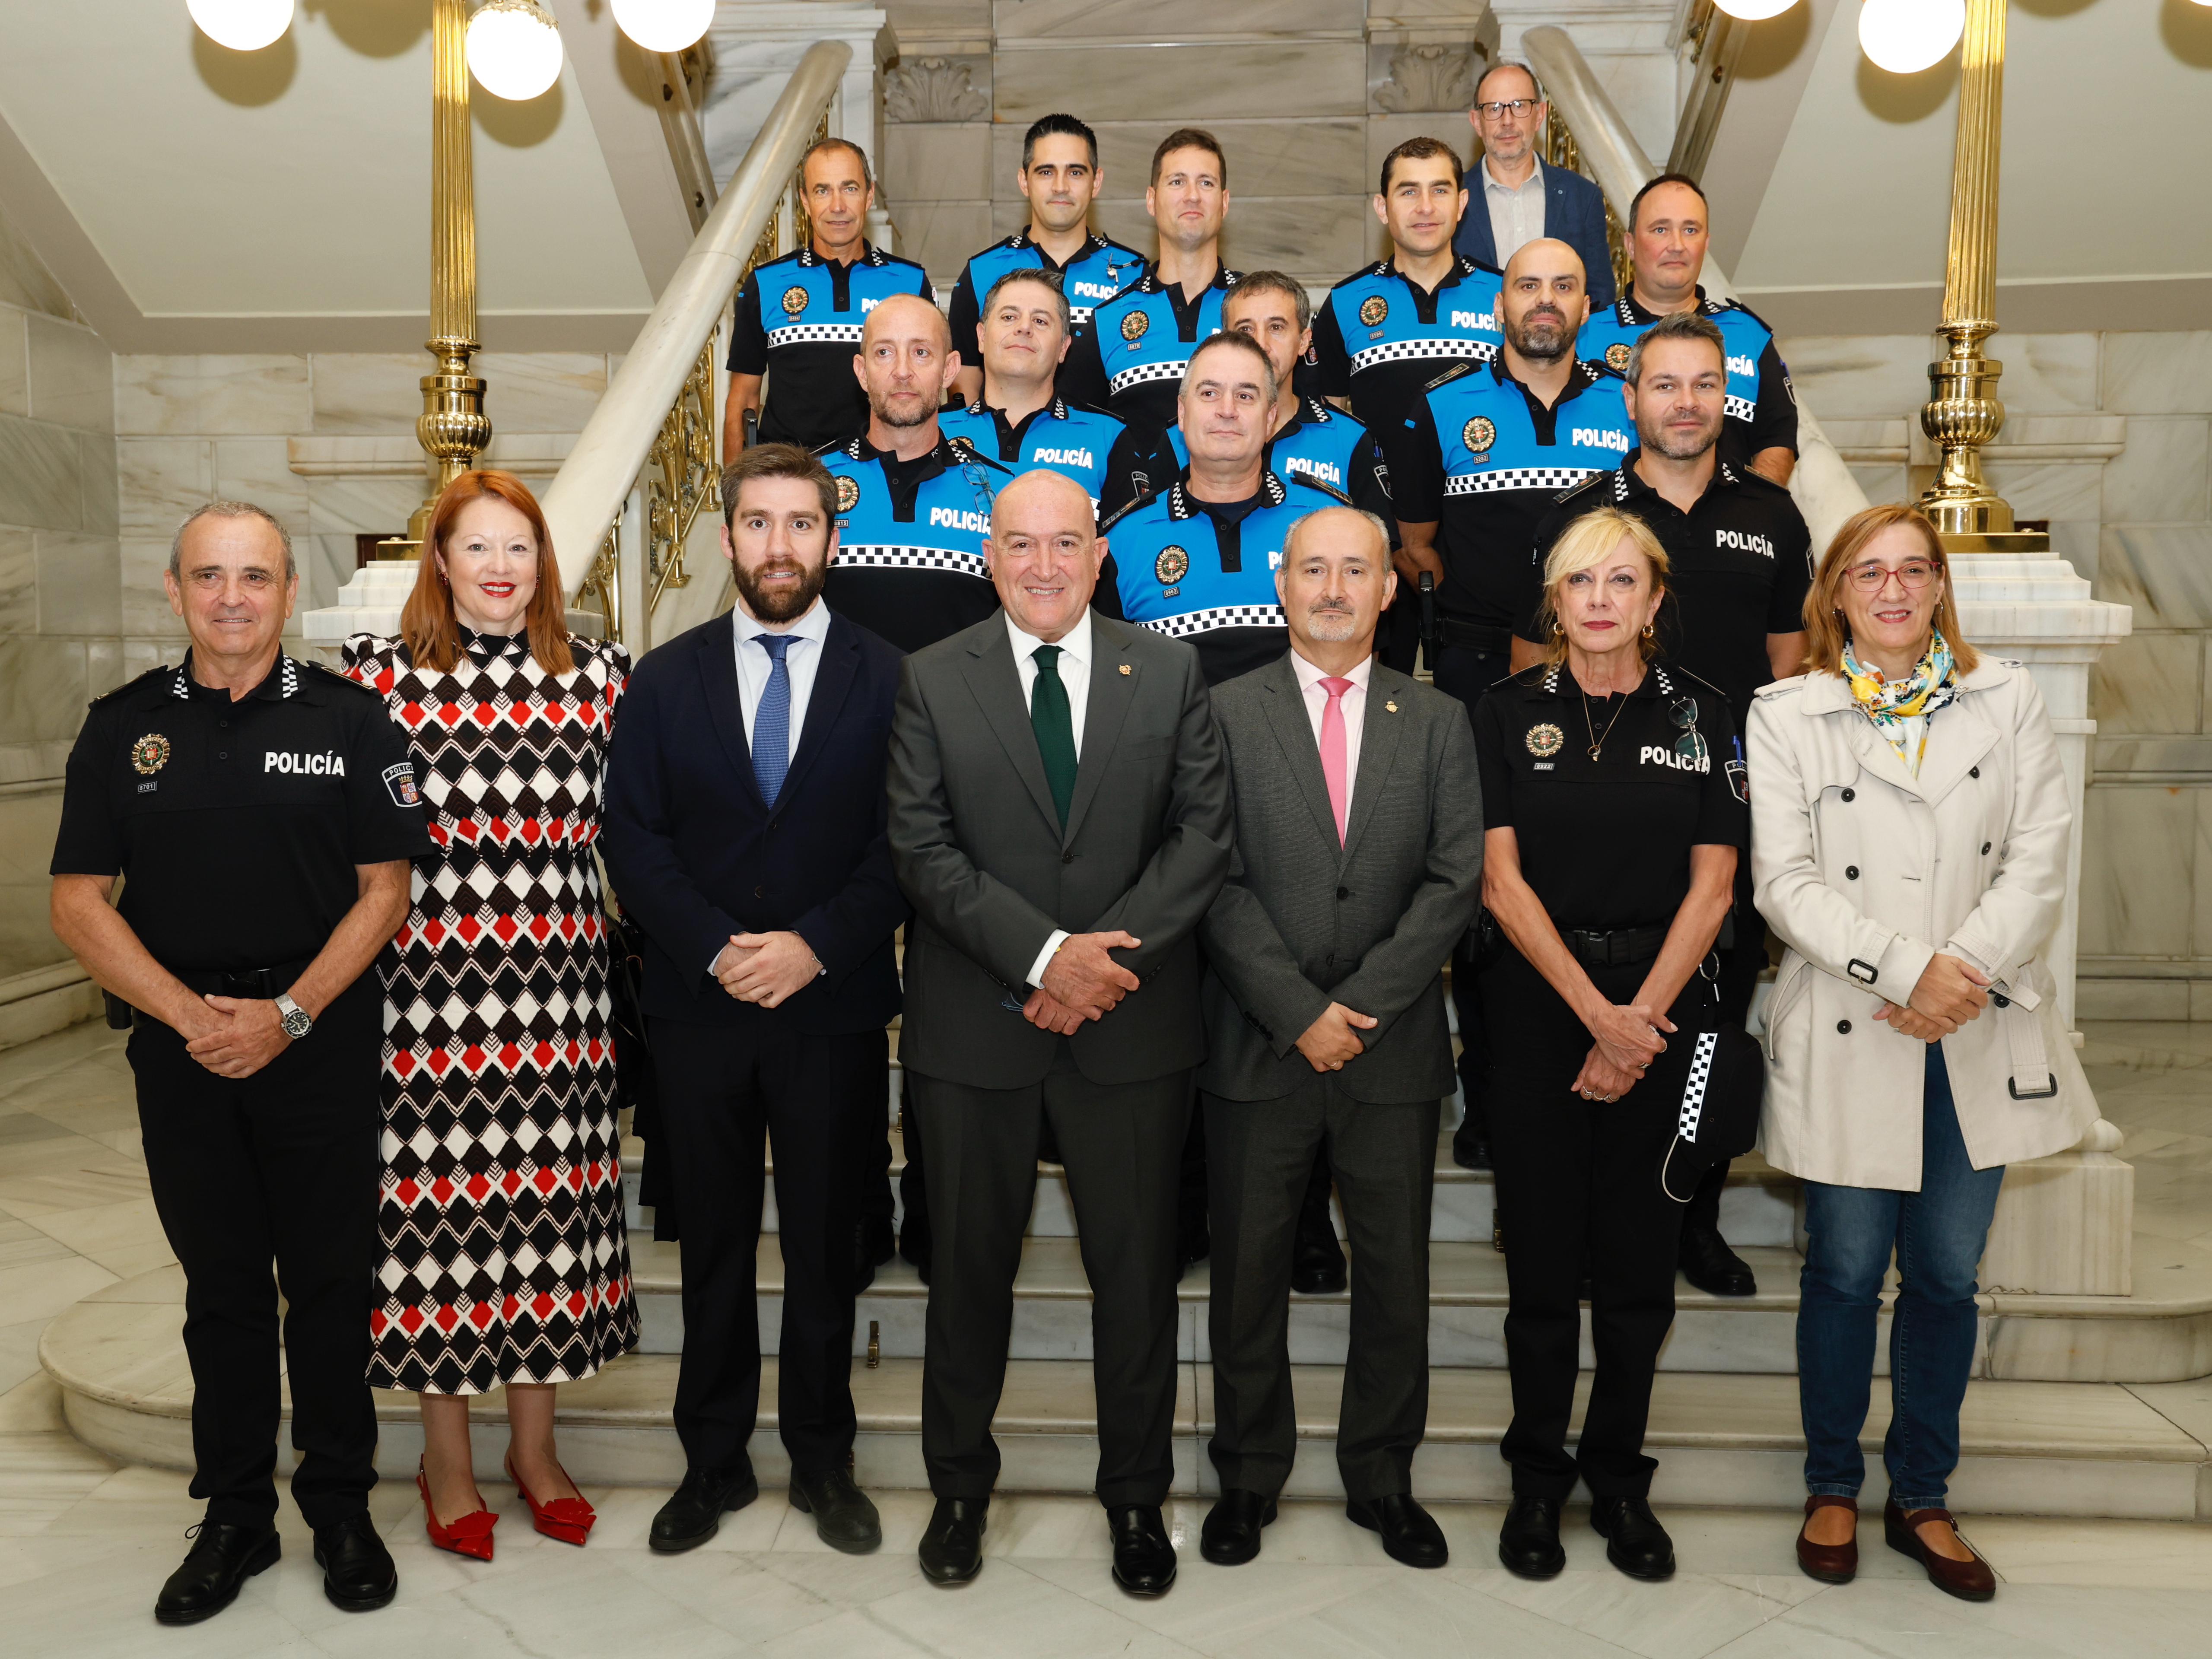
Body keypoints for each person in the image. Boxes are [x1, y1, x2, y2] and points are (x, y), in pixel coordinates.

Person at [49, 502, 429, 1624]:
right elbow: (78, 903)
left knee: (329, 1285)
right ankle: (235, 1517)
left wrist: (287, 1016)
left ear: (287, 592)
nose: (231, 598)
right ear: (174, 591)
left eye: (254, 576)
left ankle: (342, 1508)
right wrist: (193, 1019)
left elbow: (386, 893)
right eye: (208, 576)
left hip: (319, 1044)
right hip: (182, 1056)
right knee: (220, 1292)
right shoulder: (119, 728)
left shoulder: (352, 720)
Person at [886, 467, 1233, 1596]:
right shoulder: (932, 678)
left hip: (1131, 1032)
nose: (1044, 565)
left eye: (1066, 543)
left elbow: (1201, 837)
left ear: (1100, 555)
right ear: (989, 557)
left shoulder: (1168, 671)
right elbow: (922, 849)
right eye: (1021, 544)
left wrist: (1098, 968)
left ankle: (1136, 1501)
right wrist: (1046, 959)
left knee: (1135, 1281)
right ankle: (958, 1492)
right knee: (966, 1278)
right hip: (973, 1034)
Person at [1751, 504, 2092, 1602]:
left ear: (1941, 585)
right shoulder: (1786, 711)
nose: (1892, 590)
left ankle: (1923, 1493)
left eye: (1912, 570)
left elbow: (2039, 855)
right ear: (1835, 594)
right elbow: (1784, 882)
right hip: (1860, 1016)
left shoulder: (2007, 698)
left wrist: (1959, 974)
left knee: (1945, 1272)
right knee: (1845, 1270)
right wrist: (1907, 974)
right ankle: (1831, 1484)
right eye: (1868, 573)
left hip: (1972, 1022)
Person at [602, 445, 911, 1556]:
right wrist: (715, 947)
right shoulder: (662, 677)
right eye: (759, 523)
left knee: (827, 1246)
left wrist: (813, 947)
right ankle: (713, 1462)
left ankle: (823, 1460)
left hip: (831, 1007)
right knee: (715, 1247)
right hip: (702, 1008)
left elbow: (907, 842)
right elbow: (632, 836)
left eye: (801, 524)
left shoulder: (892, 676)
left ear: (832, 537)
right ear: (728, 536)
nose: (780, 546)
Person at [342, 471, 637, 1562]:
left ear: (543, 562)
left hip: (560, 1000)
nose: (501, 567)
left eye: (520, 547)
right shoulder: (375, 682)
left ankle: (536, 1453)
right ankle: (449, 1464)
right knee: (442, 1233)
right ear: (442, 560)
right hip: (427, 1000)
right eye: (478, 547)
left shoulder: (601, 678)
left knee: (547, 1229)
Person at [1196, 507, 1483, 1572]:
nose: (1331, 588)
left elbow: (1453, 880)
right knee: (1246, 1275)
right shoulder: (1221, 712)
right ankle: (1246, 1475)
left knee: (1395, 1276)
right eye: (1312, 569)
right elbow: (1208, 874)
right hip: (1256, 1041)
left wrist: (1356, 1009)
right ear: (1280, 585)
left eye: (1353, 569)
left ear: (1386, 589)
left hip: (1390, 1047)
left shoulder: (1438, 720)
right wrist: (1296, 1010)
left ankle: (1382, 1476)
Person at [1475, 508, 1743, 1585]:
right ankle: (1537, 1480)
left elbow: (1713, 888)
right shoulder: (1501, 710)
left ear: (1654, 597)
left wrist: (1635, 1027)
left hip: (1662, 1012)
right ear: (1553, 598)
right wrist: (1596, 1014)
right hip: (1539, 1006)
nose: (1598, 600)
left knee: (1638, 1273)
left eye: (1620, 581)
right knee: (1541, 1269)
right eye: (1579, 581)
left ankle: (1619, 1479)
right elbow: (1499, 883)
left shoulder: (1702, 712)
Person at [1519, 308, 1812, 1297]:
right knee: (1576, 1010)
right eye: (1664, 384)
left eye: (1703, 385)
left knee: (1712, 1016)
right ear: (1629, 398)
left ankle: (1694, 1213)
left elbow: (1788, 667)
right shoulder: (1580, 514)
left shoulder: (1773, 516)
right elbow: (1531, 666)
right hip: (1594, 813)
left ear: (1726, 397)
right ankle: (1575, 1210)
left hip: (1721, 812)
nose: (1684, 403)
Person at [1387, 237, 1636, 1170]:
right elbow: (1417, 541)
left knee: (1582, 870)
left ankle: (1595, 1057)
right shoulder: (1444, 405)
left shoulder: (1625, 403)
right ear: (1500, 303)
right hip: (1474, 677)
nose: (1544, 300)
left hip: (1602, 676)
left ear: (1586, 307)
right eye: (1527, 284)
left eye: (1563, 286)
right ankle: (1489, 1090)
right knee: (1483, 887)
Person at [1105, 331, 1351, 690]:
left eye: (1245, 396)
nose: (1227, 410)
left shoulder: (1329, 524)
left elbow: (1361, 661)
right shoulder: (1123, 539)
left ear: (1270, 418)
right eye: (1209, 393)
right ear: (1182, 412)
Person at [820, 293, 1014, 655]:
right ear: (862, 372)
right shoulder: (811, 484)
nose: (902, 370)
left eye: (921, 352)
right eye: (884, 352)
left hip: (960, 694)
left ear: (950, 369)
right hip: (840, 693)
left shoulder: (1003, 492)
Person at [1575, 172, 1794, 483]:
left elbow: (1777, 443)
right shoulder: (1584, 336)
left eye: (1690, 230)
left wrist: (1751, 506)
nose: (1677, 246)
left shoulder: (1749, 335)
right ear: (1631, 245)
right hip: (1612, 512)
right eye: (1660, 229)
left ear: (1706, 244)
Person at [724, 137, 934, 457]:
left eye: (850, 188)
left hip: (884, 470)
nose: (837, 206)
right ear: (805, 201)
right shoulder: (765, 284)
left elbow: (929, 389)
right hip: (788, 474)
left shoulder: (910, 282)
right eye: (822, 191)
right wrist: (735, 485)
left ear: (869, 195)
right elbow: (743, 398)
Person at [946, 112, 1147, 407]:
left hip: (1107, 437)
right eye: (1046, 172)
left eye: (1075, 173)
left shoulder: (1135, 274)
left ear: (1096, 182)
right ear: (1024, 181)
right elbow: (965, 397)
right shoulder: (981, 272)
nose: (1060, 186)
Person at [1312, 137, 1504, 439]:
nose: (1425, 207)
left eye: (1440, 191)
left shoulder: (1505, 295)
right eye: (1409, 192)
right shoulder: (1344, 303)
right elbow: (1327, 432)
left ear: (1461, 204)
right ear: (1383, 208)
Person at [939, 269, 1173, 517]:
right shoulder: (935, 431)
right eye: (1009, 317)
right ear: (982, 337)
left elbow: (1129, 539)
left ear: (1064, 348)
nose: (1024, 328)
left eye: (1041, 321)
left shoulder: (1108, 438)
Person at [1061, 128, 1242, 431]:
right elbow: (1076, 436)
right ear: (1151, 200)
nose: (1193, 195)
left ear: (1224, 202)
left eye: (1206, 183)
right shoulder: (1106, 322)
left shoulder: (1256, 311)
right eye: (1177, 182)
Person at [1451, 61, 1618, 308]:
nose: (1507, 121)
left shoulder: (1583, 197)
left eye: (1519, 106)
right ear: (1477, 122)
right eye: (1494, 108)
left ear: (1540, 115)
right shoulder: (1452, 198)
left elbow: (1599, 296)